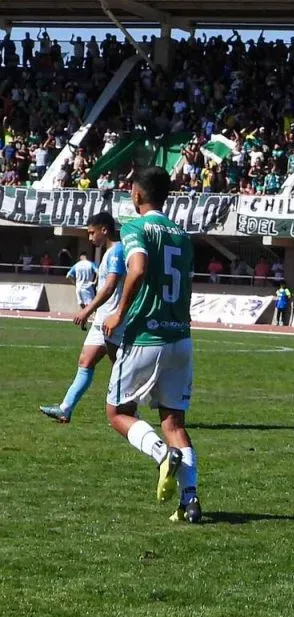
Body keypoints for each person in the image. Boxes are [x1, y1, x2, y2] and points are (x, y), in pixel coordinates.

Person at [100, 166, 201, 524]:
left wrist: (119, 313)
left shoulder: (135, 227)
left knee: (118, 413)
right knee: (174, 422)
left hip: (146, 335)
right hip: (180, 337)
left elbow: (138, 269)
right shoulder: (182, 236)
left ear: (137, 194)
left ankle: (161, 455)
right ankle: (191, 501)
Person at [40, 213, 126, 424]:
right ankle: (65, 409)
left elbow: (110, 287)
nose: (89, 238)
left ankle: (131, 411)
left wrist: (87, 310)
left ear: (104, 230)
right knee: (85, 361)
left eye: (91, 232)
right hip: (102, 319)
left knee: (122, 368)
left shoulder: (117, 252)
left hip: (113, 320)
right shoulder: (108, 253)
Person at [66, 250, 98, 330]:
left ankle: (83, 323)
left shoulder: (77, 265)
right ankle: (91, 322)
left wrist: (75, 283)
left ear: (81, 257)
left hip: (79, 288)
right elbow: (98, 272)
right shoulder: (90, 264)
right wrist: (95, 281)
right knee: (91, 306)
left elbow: (68, 275)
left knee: (84, 307)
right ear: (86, 256)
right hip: (87, 287)